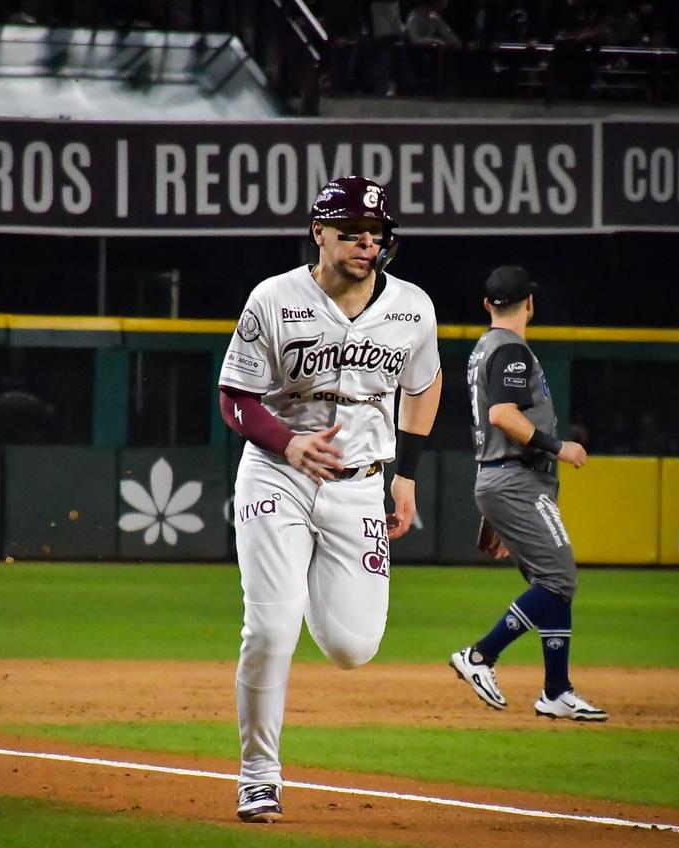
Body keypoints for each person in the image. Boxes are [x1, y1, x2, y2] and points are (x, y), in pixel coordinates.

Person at [217, 175, 443, 824]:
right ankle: (258, 775)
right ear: (319, 233)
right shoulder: (274, 299)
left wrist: (408, 473)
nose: (366, 245)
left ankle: (307, 590)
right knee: (270, 626)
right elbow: (235, 396)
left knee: (353, 646)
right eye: (352, 234)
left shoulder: (412, 309)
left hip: (362, 485)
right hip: (276, 476)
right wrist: (287, 444)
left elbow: (425, 386)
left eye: (375, 235)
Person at [449, 266, 607, 723]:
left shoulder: (484, 347)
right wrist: (560, 446)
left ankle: (556, 691)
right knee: (560, 580)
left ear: (487, 306)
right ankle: (480, 656)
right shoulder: (512, 348)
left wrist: (495, 515)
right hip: (517, 478)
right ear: (531, 304)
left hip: (504, 478)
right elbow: (502, 415)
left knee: (552, 585)